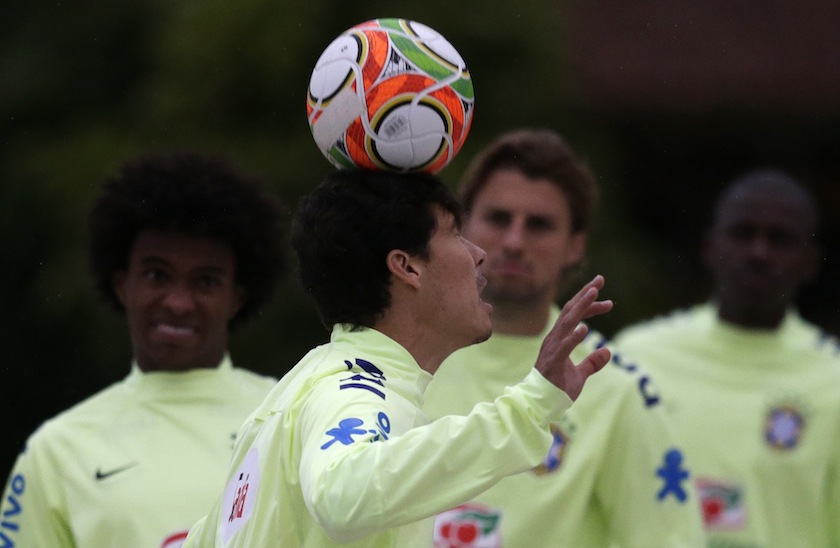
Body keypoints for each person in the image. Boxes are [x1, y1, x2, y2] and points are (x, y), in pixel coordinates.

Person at [183, 168, 613, 547]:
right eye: (454, 233)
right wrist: (529, 408)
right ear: (406, 267)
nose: (479, 253)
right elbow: (342, 495)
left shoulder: (305, 383)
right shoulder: (354, 391)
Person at [422, 128, 705, 546]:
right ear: (461, 228)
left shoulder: (615, 388)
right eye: (498, 218)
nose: (515, 241)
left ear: (575, 246)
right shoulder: (403, 356)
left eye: (539, 225)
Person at [0, 152, 288, 547]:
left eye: (205, 281)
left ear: (237, 297)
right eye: (157, 275)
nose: (178, 302)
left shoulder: (291, 416)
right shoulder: (56, 450)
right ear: (123, 284)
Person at [612, 168, 840, 547]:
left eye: (779, 239)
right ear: (710, 246)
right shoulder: (637, 358)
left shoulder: (833, 377)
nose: (759, 251)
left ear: (810, 262)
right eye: (743, 233)